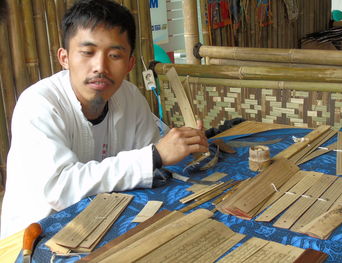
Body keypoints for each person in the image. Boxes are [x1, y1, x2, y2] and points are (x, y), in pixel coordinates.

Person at [0, 0, 208, 238]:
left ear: (130, 63)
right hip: (34, 240)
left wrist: (182, 144)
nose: (100, 66)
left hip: (103, 228)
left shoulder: (130, 97)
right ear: (64, 57)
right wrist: (155, 155)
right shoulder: (39, 104)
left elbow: (150, 169)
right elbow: (60, 188)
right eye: (87, 53)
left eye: (114, 55)